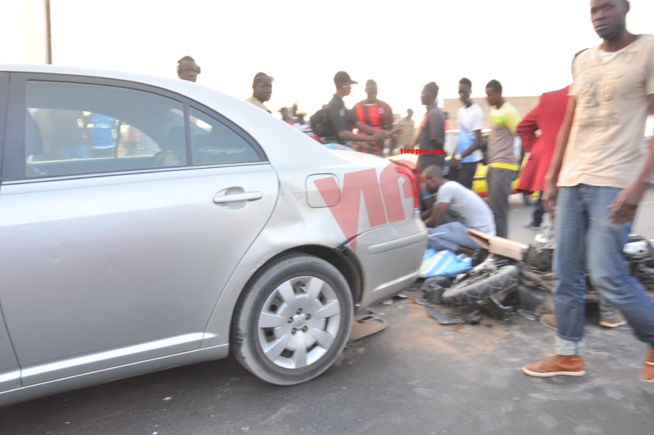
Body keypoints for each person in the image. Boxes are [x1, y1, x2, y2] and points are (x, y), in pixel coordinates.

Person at [523, 0, 654, 381]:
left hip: (614, 180)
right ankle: (568, 354)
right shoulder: (583, 61)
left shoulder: (647, 50)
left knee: (608, 274)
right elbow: (569, 123)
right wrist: (551, 176)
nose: (599, 15)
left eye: (607, 7)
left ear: (625, 7)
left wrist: (639, 183)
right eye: (594, 9)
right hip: (572, 180)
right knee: (565, 273)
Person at [517, 86, 570, 229]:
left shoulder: (552, 99)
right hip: (594, 175)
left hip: (557, 175)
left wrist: (543, 150)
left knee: (563, 231)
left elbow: (523, 128)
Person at [420, 165, 495, 256]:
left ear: (433, 180)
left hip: (481, 237)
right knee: (439, 213)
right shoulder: (451, 185)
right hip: (484, 233)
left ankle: (469, 252)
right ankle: (464, 248)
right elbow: (434, 212)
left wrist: (419, 228)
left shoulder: (446, 189)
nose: (424, 187)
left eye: (425, 182)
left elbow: (435, 221)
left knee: (425, 236)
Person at [485, 79, 521, 238]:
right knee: (493, 211)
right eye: (486, 95)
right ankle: (498, 248)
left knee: (499, 212)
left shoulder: (510, 112)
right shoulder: (494, 111)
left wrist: (519, 164)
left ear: (499, 94)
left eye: (490, 95)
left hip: (504, 166)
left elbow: (523, 135)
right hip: (493, 166)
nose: (488, 98)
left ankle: (502, 252)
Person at [322, 71, 388, 149]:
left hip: (341, 146)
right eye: (349, 84)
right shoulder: (334, 105)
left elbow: (358, 124)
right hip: (335, 147)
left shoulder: (342, 105)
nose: (350, 87)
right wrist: (371, 138)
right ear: (343, 85)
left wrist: (380, 133)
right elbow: (342, 134)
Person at [450, 78, 484, 190]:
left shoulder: (476, 111)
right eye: (460, 92)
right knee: (454, 190)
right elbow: (461, 135)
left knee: (465, 192)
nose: (462, 94)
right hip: (460, 159)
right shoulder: (460, 111)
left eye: (464, 91)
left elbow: (477, 142)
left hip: (470, 160)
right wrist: (455, 156)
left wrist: (459, 156)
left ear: (470, 91)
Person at [351, 80, 394, 156]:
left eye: (375, 93)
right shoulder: (357, 107)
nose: (373, 95)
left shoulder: (385, 107)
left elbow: (390, 129)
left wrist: (389, 149)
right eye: (371, 93)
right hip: (360, 152)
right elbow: (348, 132)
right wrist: (360, 143)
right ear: (366, 90)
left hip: (378, 152)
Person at [416, 82, 446, 171]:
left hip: (431, 164)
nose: (421, 95)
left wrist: (442, 152)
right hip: (426, 162)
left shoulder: (434, 114)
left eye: (424, 93)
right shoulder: (429, 113)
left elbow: (437, 140)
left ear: (432, 95)